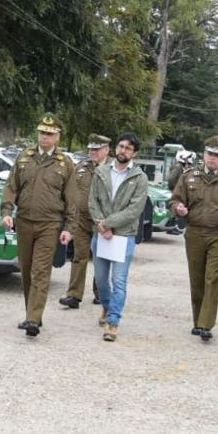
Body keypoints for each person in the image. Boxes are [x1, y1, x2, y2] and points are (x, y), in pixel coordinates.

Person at [0, 114, 76, 337]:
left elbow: (72, 199)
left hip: (50, 224)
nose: (45, 137)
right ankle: (32, 314)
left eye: (50, 134)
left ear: (58, 136)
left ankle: (32, 319)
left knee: (40, 272)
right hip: (24, 222)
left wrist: (69, 227)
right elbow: (11, 187)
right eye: (42, 132)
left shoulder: (65, 164)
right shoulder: (25, 158)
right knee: (26, 271)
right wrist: (6, 211)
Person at [169, 136, 218, 341]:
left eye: (217, 155)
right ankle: (197, 321)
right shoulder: (189, 176)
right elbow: (174, 199)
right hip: (194, 233)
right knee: (197, 278)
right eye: (209, 153)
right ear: (203, 154)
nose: (212, 158)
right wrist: (178, 208)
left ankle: (206, 324)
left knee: (212, 277)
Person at [88, 133, 150, 341]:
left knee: (119, 280)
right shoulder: (101, 172)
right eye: (121, 146)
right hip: (101, 233)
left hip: (124, 236)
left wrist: (109, 223)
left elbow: (135, 210)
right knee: (101, 279)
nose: (123, 151)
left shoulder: (139, 178)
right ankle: (106, 306)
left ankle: (113, 322)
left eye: (128, 148)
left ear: (135, 153)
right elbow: (93, 201)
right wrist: (100, 223)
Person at [59, 134, 111, 310]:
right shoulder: (81, 167)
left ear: (106, 150)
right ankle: (74, 295)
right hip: (81, 219)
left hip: (102, 221)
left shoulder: (113, 169)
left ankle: (100, 292)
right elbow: (72, 193)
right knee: (79, 256)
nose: (93, 152)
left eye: (97, 149)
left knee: (101, 258)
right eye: (91, 149)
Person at [166, 150, 195, 235]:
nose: (189, 161)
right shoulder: (177, 167)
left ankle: (173, 227)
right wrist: (174, 188)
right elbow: (171, 179)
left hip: (176, 190)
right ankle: (171, 227)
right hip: (174, 190)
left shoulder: (180, 167)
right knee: (174, 207)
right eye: (187, 158)